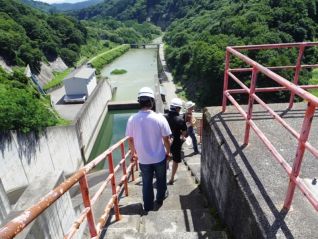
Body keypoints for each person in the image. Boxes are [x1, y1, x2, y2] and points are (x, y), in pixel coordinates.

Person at [125, 87, 171, 212]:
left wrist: (134, 154)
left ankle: (148, 206)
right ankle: (160, 199)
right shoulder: (160, 118)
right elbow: (166, 139)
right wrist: (168, 152)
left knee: (146, 182)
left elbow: (130, 139)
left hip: (143, 159)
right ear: (152, 102)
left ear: (139, 102)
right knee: (161, 179)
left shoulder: (132, 119)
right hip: (159, 157)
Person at [165, 98, 187, 185]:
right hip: (176, 142)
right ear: (177, 108)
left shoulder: (164, 117)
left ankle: (163, 176)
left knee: (165, 158)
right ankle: (172, 178)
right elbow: (184, 133)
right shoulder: (180, 120)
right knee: (175, 160)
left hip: (165, 141)